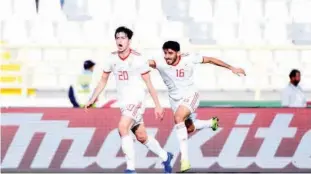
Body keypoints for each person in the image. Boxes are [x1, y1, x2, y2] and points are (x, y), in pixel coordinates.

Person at [84, 27, 173, 174]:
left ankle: (130, 169)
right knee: (141, 136)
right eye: (117, 38)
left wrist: (157, 105)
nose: (120, 40)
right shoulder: (111, 58)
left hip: (137, 100)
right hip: (124, 103)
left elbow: (149, 83)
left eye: (123, 38)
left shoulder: (138, 58)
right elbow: (103, 81)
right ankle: (165, 156)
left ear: (129, 41)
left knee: (122, 127)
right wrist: (92, 98)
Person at [148, 41, 246, 172]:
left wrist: (232, 68)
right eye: (165, 53)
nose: (167, 56)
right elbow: (140, 64)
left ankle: (184, 161)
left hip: (191, 96)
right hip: (175, 100)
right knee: (189, 128)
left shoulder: (188, 58)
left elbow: (210, 60)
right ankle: (211, 123)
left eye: (170, 53)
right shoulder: (159, 62)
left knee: (178, 118)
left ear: (178, 53)